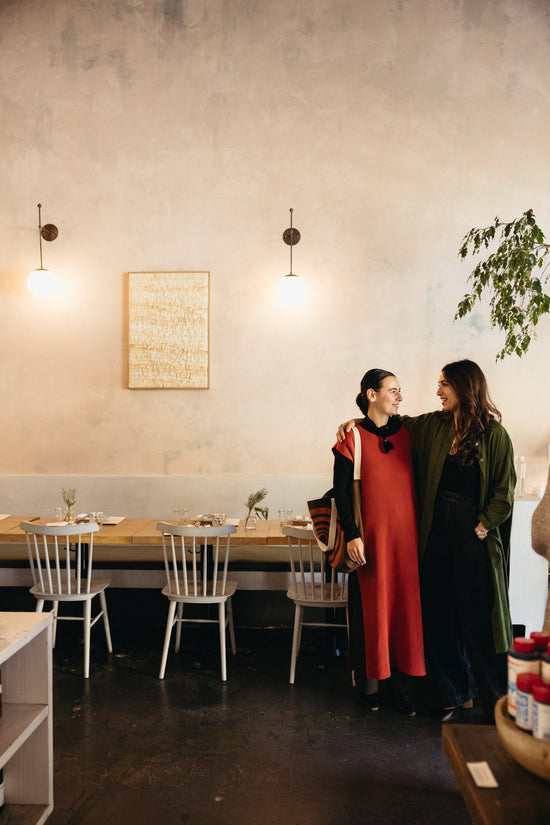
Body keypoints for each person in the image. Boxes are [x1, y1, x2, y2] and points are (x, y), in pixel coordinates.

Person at [337, 360, 515, 723]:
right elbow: (388, 423)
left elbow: (504, 490)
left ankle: (496, 701)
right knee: (439, 616)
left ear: (465, 388)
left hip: (472, 535)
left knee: (479, 620)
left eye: (444, 384)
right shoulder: (433, 425)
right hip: (434, 531)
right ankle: (455, 696)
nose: (437, 391)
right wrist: (355, 422)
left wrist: (482, 526)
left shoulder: (495, 435)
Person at [333, 369, 426, 716]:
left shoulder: (410, 432)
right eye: (393, 390)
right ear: (372, 395)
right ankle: (370, 685)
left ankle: (403, 688)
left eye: (400, 390)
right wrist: (353, 534)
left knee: (405, 611)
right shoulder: (352, 438)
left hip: (407, 540)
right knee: (370, 612)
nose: (399, 397)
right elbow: (341, 492)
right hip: (370, 540)